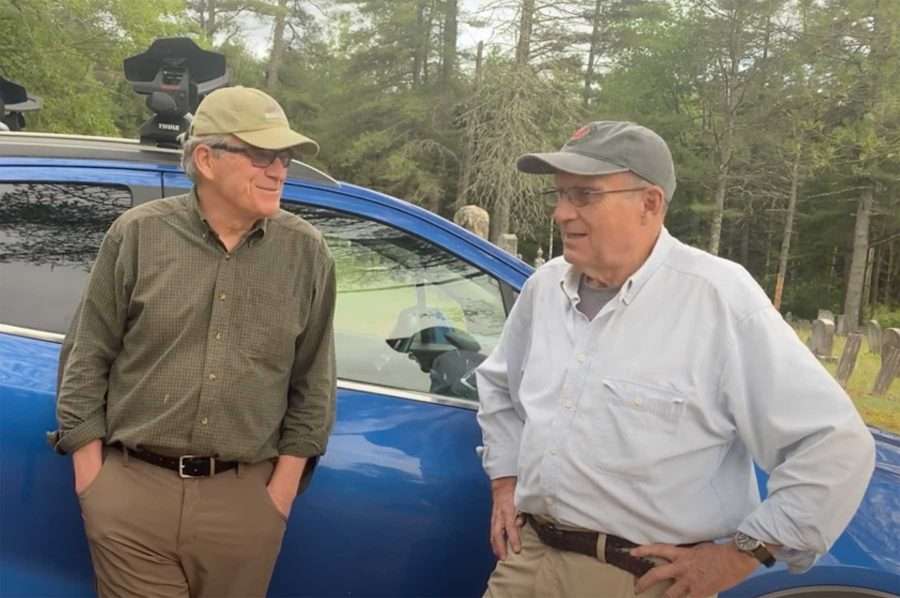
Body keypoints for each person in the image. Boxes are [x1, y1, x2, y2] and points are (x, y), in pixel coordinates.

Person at [475, 121, 876, 598]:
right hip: (529, 562)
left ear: (649, 203)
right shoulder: (545, 288)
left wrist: (738, 556)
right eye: (559, 195)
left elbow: (835, 446)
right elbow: (500, 387)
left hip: (644, 581)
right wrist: (504, 482)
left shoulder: (717, 299)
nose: (561, 213)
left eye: (584, 196)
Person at [49, 86, 337, 598]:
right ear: (206, 158)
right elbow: (86, 357)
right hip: (133, 497)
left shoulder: (306, 253)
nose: (279, 171)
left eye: (285, 158)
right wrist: (94, 482)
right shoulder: (137, 236)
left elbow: (314, 382)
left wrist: (278, 496)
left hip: (245, 505)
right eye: (263, 155)